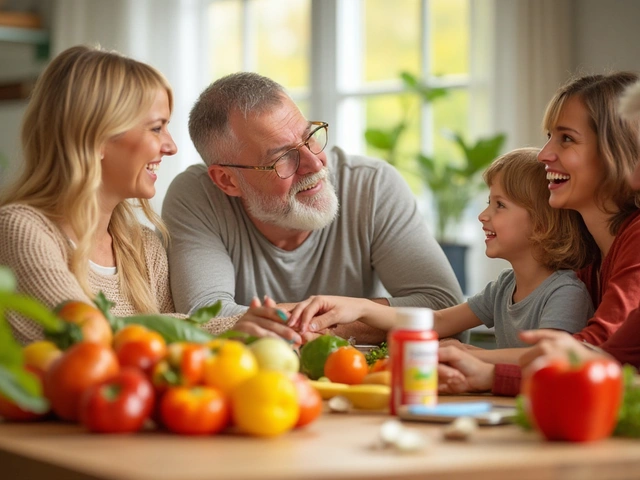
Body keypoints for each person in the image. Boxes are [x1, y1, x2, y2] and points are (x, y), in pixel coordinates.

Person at [0, 46, 288, 345]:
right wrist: (231, 326)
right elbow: (86, 335)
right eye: (156, 128)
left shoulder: (143, 248)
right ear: (95, 137)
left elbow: (175, 357)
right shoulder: (22, 230)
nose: (171, 146)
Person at [161, 72, 463, 344]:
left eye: (310, 137)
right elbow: (207, 320)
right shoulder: (195, 197)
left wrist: (334, 320)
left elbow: (447, 312)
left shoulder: (372, 185)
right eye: (283, 157)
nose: (315, 162)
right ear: (227, 181)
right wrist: (366, 316)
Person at [437, 75, 640, 397]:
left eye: (567, 139)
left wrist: (484, 364)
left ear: (617, 152)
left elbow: (596, 352)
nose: (544, 153)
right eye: (549, 137)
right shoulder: (589, 257)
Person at [289, 148, 594, 351]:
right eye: (488, 202)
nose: (483, 215)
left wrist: (472, 354)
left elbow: (551, 359)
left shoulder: (565, 293)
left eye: (499, 205)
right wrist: (359, 308)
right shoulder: (503, 288)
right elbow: (435, 321)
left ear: (541, 224)